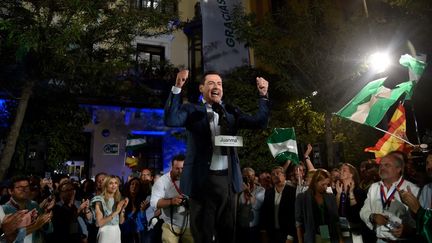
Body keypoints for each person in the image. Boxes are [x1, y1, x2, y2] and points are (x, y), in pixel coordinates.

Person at [164, 69, 269, 243]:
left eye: (219, 84)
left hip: (228, 180)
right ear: (201, 88)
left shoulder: (230, 111)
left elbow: (260, 122)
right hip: (201, 180)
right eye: (211, 83)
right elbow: (171, 119)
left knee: (227, 233)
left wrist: (263, 95)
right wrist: (177, 87)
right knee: (203, 234)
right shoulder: (192, 110)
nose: (216, 87)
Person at [360, 152, 419, 242]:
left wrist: (406, 230)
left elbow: (421, 221)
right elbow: (364, 211)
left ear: (398, 169)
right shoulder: (374, 187)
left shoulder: (412, 189)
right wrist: (373, 217)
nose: (382, 168)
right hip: (380, 240)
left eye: (387, 165)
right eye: (381, 165)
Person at [150, 154, 193, 243]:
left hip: (189, 224)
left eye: (182, 168)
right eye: (177, 168)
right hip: (170, 224)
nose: (180, 171)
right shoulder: (162, 181)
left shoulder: (192, 178)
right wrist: (171, 201)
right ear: (172, 167)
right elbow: (154, 203)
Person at [296, 169, 343, 243]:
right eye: (322, 184)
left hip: (328, 234)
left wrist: (340, 238)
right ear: (315, 182)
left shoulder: (330, 197)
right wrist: (300, 241)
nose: (325, 187)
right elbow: (298, 223)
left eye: (327, 184)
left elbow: (336, 220)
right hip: (312, 236)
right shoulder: (302, 198)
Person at [1, 175, 53, 243]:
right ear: (10, 191)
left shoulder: (34, 205)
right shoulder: (3, 210)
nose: (24, 190)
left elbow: (49, 230)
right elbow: (4, 238)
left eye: (27, 187)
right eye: (20, 187)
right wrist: (35, 226)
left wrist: (45, 220)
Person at [261, 166, 297, 243]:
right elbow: (265, 213)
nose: (275, 175)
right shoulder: (268, 192)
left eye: (278, 173)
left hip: (287, 234)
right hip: (272, 234)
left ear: (284, 176)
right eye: (273, 174)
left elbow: (294, 215)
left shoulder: (293, 192)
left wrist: (290, 236)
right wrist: (264, 232)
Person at [335, 163, 370, 242]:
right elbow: (335, 211)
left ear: (351, 174)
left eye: (344, 170)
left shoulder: (358, 191)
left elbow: (357, 215)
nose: (341, 172)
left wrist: (351, 194)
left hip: (356, 231)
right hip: (342, 229)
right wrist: (338, 194)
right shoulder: (339, 190)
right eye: (340, 170)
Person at [91, 175, 129, 243]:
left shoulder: (118, 199)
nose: (114, 185)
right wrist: (116, 212)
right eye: (111, 183)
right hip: (105, 232)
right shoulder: (99, 200)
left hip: (116, 231)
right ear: (105, 185)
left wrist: (123, 209)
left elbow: (121, 222)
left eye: (115, 183)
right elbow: (99, 223)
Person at [236, 167, 265, 243]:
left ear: (254, 176)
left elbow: (257, 206)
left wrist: (248, 192)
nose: (247, 178)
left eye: (249, 176)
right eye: (244, 176)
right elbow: (238, 209)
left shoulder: (261, 190)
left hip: (253, 229)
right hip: (241, 228)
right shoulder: (240, 192)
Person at [120, 177, 148, 243]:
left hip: (139, 234)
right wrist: (123, 208)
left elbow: (144, 223)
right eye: (132, 184)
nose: (134, 186)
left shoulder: (143, 201)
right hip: (125, 234)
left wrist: (142, 211)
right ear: (129, 186)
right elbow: (121, 222)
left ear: (139, 188)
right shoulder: (123, 200)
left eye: (137, 185)